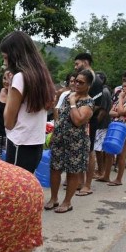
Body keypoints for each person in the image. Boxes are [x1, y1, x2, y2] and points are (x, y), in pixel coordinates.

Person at [0, 30, 55, 252]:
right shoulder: (41, 76)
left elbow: (8, 120)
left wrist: (8, 93)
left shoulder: (20, 78)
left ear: (14, 54)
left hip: (19, 146)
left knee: (18, 214)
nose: (4, 62)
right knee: (28, 209)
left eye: (5, 56)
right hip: (33, 147)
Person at [45, 69, 94, 212]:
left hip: (76, 142)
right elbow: (59, 115)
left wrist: (73, 103)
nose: (76, 84)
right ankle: (54, 199)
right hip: (60, 138)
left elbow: (78, 120)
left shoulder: (89, 102)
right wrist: (54, 133)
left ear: (88, 85)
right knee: (55, 169)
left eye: (81, 82)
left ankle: (67, 202)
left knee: (73, 172)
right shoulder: (67, 95)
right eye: (75, 81)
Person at [72, 53, 103, 196]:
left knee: (89, 152)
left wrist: (82, 115)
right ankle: (79, 181)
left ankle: (87, 185)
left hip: (89, 121)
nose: (75, 67)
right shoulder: (82, 79)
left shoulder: (95, 81)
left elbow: (96, 105)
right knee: (79, 151)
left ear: (85, 62)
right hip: (77, 120)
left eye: (77, 64)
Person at [99, 78, 126, 186]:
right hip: (115, 126)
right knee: (108, 152)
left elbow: (121, 111)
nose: (123, 89)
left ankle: (118, 179)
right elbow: (111, 112)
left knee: (121, 154)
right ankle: (106, 176)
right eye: (122, 86)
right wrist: (118, 112)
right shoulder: (120, 99)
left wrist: (121, 100)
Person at [92, 71, 112, 179]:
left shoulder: (104, 92)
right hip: (102, 124)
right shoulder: (102, 91)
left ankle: (101, 171)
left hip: (101, 124)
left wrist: (95, 124)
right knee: (100, 148)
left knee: (98, 149)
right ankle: (101, 169)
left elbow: (103, 111)